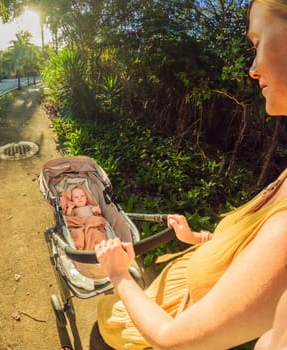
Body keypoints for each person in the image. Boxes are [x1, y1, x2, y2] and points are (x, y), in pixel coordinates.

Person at [94, 1, 287, 349]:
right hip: (169, 289)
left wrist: (118, 274)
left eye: (257, 43)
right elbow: (247, 255)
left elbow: (174, 340)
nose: (253, 69)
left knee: (104, 326)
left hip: (165, 320)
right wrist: (197, 239)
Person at [60, 185, 106, 250]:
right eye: (76, 197)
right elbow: (69, 217)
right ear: (72, 200)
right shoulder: (74, 210)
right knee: (78, 235)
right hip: (79, 226)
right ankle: (80, 248)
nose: (80, 198)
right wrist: (70, 208)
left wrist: (97, 211)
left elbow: (98, 215)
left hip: (91, 224)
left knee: (96, 234)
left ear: (86, 198)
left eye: (82, 196)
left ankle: (99, 246)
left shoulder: (90, 207)